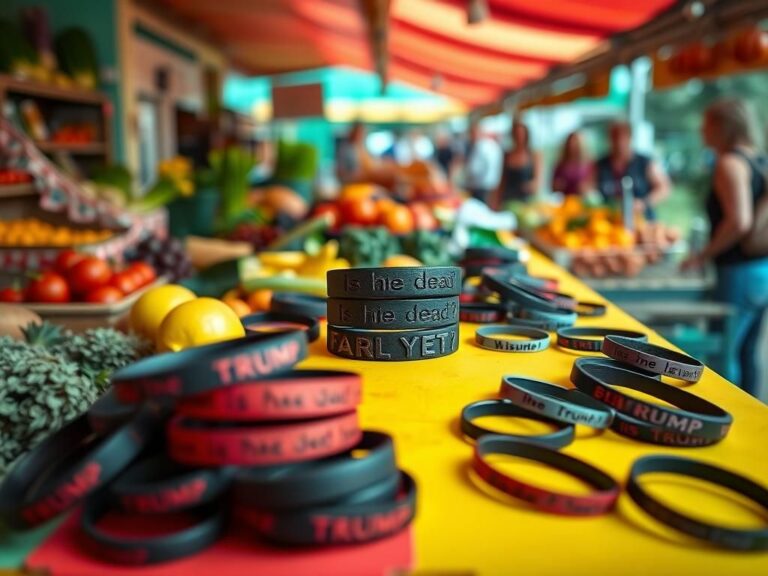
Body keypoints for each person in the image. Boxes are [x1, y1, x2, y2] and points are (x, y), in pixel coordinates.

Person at [681, 99, 768, 396]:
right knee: (747, 352)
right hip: (761, 269)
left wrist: (703, 255)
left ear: (721, 126)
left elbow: (739, 221)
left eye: (706, 124)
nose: (701, 130)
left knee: (724, 353)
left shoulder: (729, 163)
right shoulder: (759, 160)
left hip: (738, 272)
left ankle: (723, 415)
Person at [593, 121, 670, 220]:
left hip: (642, 221)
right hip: (608, 223)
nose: (619, 142)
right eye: (615, 137)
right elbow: (587, 187)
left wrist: (644, 202)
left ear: (630, 137)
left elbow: (664, 187)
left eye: (622, 137)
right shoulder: (600, 164)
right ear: (609, 138)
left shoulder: (645, 162)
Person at [493, 120, 541, 208]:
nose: (519, 137)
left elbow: (537, 182)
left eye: (521, 134)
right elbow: (502, 181)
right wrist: (496, 201)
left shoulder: (533, 155)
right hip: (508, 200)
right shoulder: (507, 155)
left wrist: (530, 185)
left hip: (526, 202)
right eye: (517, 134)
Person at [463, 122, 503, 204]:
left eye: (472, 133)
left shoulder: (481, 145)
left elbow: (475, 169)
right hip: (490, 185)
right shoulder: (491, 145)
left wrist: (469, 182)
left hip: (481, 186)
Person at [552, 131, 591, 196]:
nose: (572, 145)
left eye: (575, 143)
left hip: (582, 200)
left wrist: (585, 188)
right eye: (570, 143)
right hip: (564, 200)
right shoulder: (560, 165)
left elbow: (592, 186)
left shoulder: (589, 164)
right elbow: (554, 186)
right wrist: (559, 185)